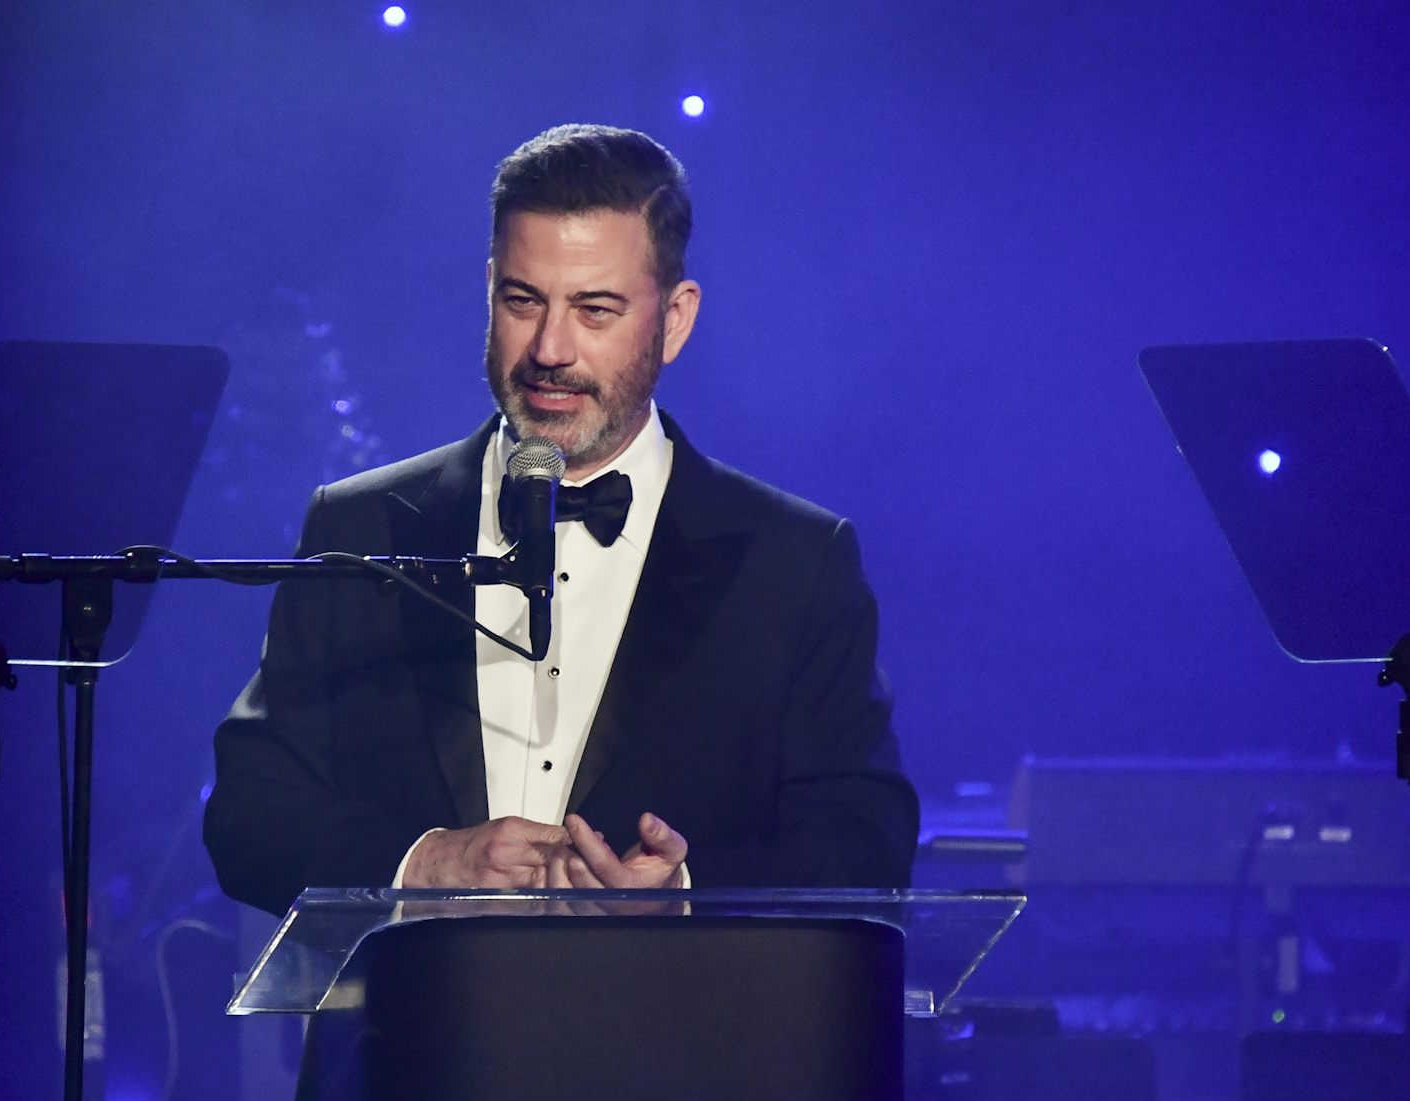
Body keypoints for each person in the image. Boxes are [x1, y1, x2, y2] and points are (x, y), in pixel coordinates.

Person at [205, 123, 918, 916]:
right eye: (522, 301)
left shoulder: (794, 560)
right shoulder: (362, 527)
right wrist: (421, 863)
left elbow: (866, 836)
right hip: (413, 1027)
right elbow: (249, 812)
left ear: (674, 320)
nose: (550, 347)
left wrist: (685, 892)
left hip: (672, 1030)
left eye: (595, 309)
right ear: (488, 293)